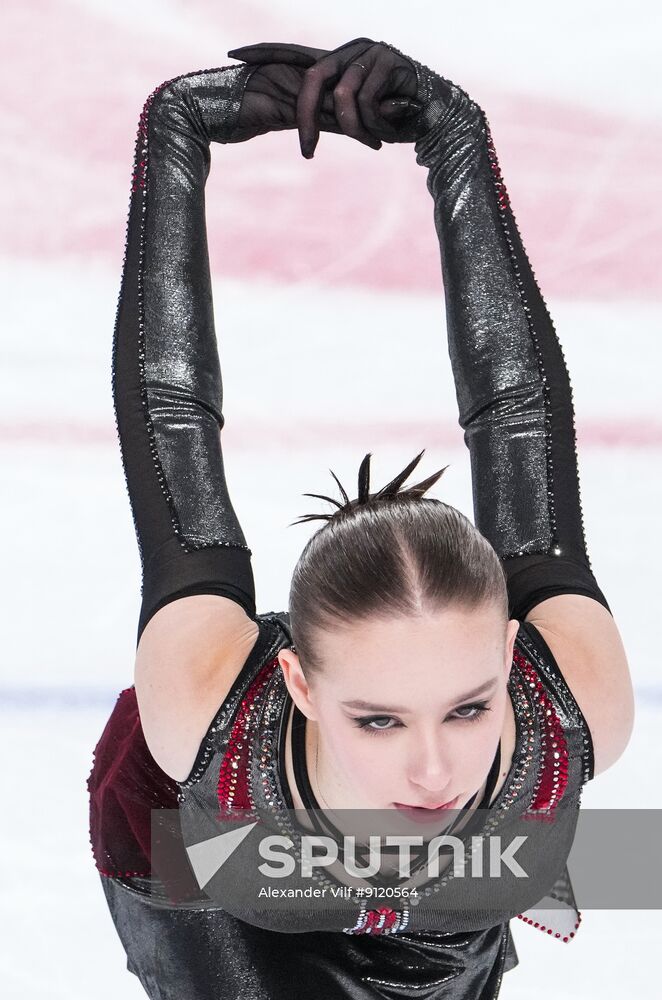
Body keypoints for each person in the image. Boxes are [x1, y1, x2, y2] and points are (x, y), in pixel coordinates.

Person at [87, 37, 634, 999]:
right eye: (377, 719)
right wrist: (176, 134)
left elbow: (521, 419)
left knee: (462, 884)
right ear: (293, 681)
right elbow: (173, 419)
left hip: (452, 897)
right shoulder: (208, 712)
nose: (433, 768)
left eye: (469, 706)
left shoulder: (574, 710)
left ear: (513, 658)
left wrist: (457, 138)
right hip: (210, 874)